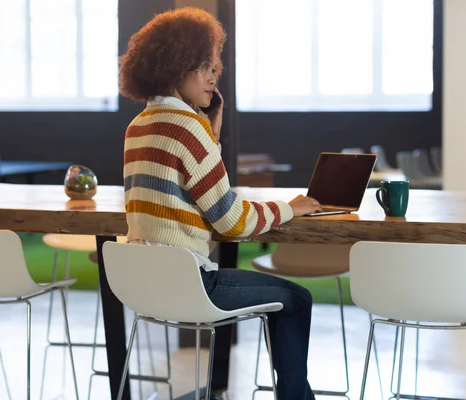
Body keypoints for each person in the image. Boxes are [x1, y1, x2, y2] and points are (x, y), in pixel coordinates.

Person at [119, 7, 321, 400]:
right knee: (298, 299)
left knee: (286, 296)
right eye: (206, 66)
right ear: (177, 66)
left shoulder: (137, 126)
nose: (215, 76)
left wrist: (210, 133)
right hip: (192, 283)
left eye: (217, 67)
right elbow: (230, 220)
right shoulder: (188, 129)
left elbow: (183, 191)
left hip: (142, 284)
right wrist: (290, 208)